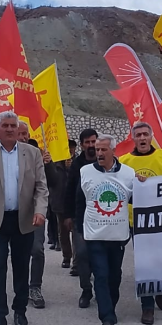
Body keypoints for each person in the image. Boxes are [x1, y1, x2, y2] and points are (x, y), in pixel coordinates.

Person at [0, 112, 48, 325]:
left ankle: (20, 310)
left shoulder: (32, 153)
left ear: (18, 129)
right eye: (5, 126)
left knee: (20, 266)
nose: (9, 129)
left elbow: (41, 187)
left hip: (23, 219)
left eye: (12, 126)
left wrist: (40, 210)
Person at [77, 134, 139, 325]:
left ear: (114, 151)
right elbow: (79, 200)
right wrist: (79, 226)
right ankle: (107, 318)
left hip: (118, 235)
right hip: (94, 235)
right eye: (97, 149)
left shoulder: (129, 174)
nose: (99, 153)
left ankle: (110, 307)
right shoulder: (85, 171)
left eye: (104, 149)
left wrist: (144, 185)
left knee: (115, 276)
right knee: (101, 275)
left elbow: (137, 199)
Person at [119, 121, 162, 325]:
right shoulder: (124, 161)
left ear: (151, 136)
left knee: (161, 260)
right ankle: (147, 306)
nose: (142, 138)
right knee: (143, 262)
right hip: (136, 221)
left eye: (145, 134)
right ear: (133, 138)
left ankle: (159, 287)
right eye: (138, 135)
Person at [17, 122, 50, 309]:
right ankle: (21, 287)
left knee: (37, 249)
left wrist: (49, 164)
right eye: (19, 133)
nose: (22, 137)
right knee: (19, 252)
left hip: (35, 211)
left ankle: (35, 287)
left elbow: (48, 184)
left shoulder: (38, 154)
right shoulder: (8, 155)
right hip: (14, 212)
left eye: (25, 133)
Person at [63, 129, 98, 307]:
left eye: (94, 142)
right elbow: (69, 191)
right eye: (87, 142)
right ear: (82, 144)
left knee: (100, 255)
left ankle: (101, 288)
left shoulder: (105, 161)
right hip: (81, 218)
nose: (91, 145)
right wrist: (68, 215)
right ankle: (86, 290)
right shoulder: (77, 165)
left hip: (102, 218)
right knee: (82, 254)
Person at [46, 147, 74, 270]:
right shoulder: (55, 165)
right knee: (63, 231)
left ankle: (78, 262)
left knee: (78, 234)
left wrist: (70, 169)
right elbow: (51, 181)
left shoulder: (78, 163)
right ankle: (67, 256)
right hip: (60, 203)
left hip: (75, 203)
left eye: (72, 148)